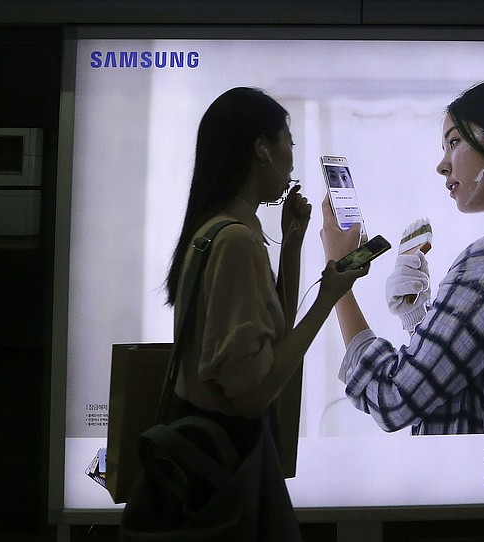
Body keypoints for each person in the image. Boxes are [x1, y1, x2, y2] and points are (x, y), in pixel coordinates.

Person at [320, 80, 484, 436]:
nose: (442, 165)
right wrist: (418, 317)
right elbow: (471, 387)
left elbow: (394, 398)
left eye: (454, 142)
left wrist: (340, 281)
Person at [163, 87, 368, 536]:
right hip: (230, 468)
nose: (292, 157)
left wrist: (291, 245)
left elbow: (270, 344)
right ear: (262, 147)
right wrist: (329, 298)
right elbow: (254, 395)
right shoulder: (236, 240)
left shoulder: (216, 228)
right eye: (288, 141)